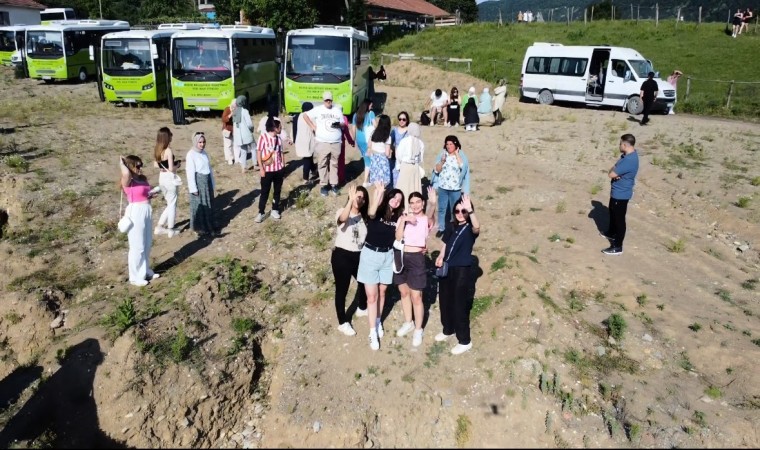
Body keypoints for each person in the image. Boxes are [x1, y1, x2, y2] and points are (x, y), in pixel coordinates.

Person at [357, 183, 405, 350]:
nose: (396, 201)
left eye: (399, 199)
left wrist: (403, 220)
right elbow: (370, 212)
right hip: (370, 254)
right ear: (388, 197)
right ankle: (372, 333)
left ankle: (378, 322)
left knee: (382, 291)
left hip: (387, 256)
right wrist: (380, 193)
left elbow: (399, 238)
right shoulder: (378, 210)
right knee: (372, 297)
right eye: (394, 197)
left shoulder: (398, 217)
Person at [434, 194, 480, 355]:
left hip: (461, 269)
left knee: (459, 304)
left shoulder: (469, 229)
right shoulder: (451, 225)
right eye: (457, 211)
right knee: (445, 300)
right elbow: (445, 244)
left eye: (463, 211)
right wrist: (440, 256)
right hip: (447, 267)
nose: (460, 214)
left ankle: (465, 340)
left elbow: (477, 227)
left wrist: (471, 211)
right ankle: (448, 329)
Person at [394, 188, 437, 347]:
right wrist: (404, 220)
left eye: (418, 202)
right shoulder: (403, 218)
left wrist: (433, 202)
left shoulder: (426, 219)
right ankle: (408, 322)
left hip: (417, 259)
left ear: (422, 203)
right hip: (402, 257)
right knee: (404, 292)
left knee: (416, 296)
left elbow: (431, 214)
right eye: (412, 203)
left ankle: (418, 329)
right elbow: (398, 237)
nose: (415, 205)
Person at [332, 185, 370, 336]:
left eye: (362, 197)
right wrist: (350, 201)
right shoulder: (342, 211)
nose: (358, 199)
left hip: (359, 255)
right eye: (356, 196)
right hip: (342, 255)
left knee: (364, 282)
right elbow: (342, 219)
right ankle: (342, 322)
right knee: (342, 289)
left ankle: (361, 307)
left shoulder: (364, 218)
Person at [119, 155, 159, 287]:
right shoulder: (127, 180)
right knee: (137, 246)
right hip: (136, 212)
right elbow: (125, 173)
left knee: (147, 244)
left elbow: (144, 193)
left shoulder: (141, 179)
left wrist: (151, 194)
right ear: (130, 167)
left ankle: (145, 270)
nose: (140, 168)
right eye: (137, 166)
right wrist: (122, 163)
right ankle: (135, 277)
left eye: (141, 165)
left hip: (146, 210)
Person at [601, 134, 639, 256]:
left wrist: (615, 170)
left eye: (620, 143)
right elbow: (613, 170)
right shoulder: (628, 156)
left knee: (619, 220)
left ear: (624, 145)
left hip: (621, 194)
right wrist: (615, 169)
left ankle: (617, 246)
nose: (619, 145)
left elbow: (611, 174)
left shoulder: (628, 160)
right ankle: (611, 233)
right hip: (618, 192)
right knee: (612, 212)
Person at [303, 91, 345, 197]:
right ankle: (324, 185)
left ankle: (334, 184)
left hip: (335, 142)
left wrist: (339, 124)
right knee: (322, 163)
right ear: (323, 100)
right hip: (322, 142)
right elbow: (305, 115)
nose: (328, 102)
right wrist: (313, 126)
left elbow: (343, 124)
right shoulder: (318, 110)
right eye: (326, 100)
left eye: (330, 100)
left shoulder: (337, 110)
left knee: (334, 163)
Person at [431, 135, 470, 238]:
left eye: (451, 144)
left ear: (455, 144)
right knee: (442, 208)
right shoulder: (443, 155)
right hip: (443, 186)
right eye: (447, 144)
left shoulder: (461, 156)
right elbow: (436, 170)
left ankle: (454, 227)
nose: (449, 146)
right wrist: (442, 161)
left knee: (455, 209)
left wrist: (457, 154)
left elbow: (463, 167)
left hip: (455, 188)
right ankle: (441, 228)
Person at [254, 117, 286, 223]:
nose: (281, 128)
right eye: (279, 126)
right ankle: (261, 212)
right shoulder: (263, 137)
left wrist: (283, 166)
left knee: (277, 191)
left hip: (278, 169)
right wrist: (261, 168)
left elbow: (281, 153)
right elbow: (258, 153)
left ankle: (275, 209)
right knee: (264, 191)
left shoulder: (279, 139)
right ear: (274, 128)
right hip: (267, 170)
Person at [186, 131, 217, 236]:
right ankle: (199, 228)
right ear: (195, 142)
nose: (202, 144)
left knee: (208, 204)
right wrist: (193, 188)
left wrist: (212, 183)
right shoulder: (191, 154)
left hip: (207, 182)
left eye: (203, 142)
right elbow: (190, 173)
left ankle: (209, 225)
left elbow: (209, 169)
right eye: (200, 142)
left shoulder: (204, 153)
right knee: (200, 205)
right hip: (199, 183)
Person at [153, 127, 180, 238]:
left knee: (169, 203)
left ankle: (159, 226)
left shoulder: (157, 150)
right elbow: (171, 168)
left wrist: (162, 168)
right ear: (166, 137)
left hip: (161, 178)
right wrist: (177, 165)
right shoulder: (168, 151)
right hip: (169, 179)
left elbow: (155, 165)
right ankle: (171, 229)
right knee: (172, 204)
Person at [394, 122, 424, 210]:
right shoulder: (421, 143)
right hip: (415, 167)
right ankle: (414, 208)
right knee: (414, 188)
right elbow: (420, 159)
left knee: (404, 188)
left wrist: (399, 165)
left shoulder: (404, 141)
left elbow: (398, 155)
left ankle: (403, 208)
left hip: (406, 166)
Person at [351, 99, 376, 186]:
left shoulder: (356, 115)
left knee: (366, 158)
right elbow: (375, 125)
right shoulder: (371, 114)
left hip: (359, 139)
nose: (371, 107)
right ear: (367, 105)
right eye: (370, 105)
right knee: (370, 160)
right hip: (368, 139)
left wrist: (353, 140)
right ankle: (367, 180)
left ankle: (368, 179)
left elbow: (353, 128)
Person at [294, 102, 318, 183]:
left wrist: (293, 139)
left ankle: (314, 170)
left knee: (308, 157)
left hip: (300, 140)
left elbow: (294, 129)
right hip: (308, 140)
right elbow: (315, 128)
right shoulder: (311, 116)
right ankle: (305, 178)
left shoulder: (298, 116)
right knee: (307, 159)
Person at [367, 114, 392, 187]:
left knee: (376, 186)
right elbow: (387, 153)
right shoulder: (388, 137)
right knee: (382, 187)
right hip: (382, 161)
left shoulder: (373, 133)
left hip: (374, 159)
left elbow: (369, 145)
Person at [231, 95, 254, 173]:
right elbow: (249, 124)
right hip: (246, 134)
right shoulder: (245, 111)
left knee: (243, 150)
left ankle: (243, 167)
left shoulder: (235, 112)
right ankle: (255, 164)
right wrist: (252, 129)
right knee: (254, 148)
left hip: (239, 136)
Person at [390, 111, 410, 186]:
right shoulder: (394, 130)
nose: (401, 121)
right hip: (395, 157)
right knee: (395, 177)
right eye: (400, 119)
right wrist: (394, 149)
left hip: (405, 158)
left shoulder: (409, 131)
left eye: (404, 119)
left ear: (407, 120)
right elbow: (390, 142)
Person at [221, 100, 235, 165]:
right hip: (227, 130)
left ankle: (232, 157)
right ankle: (229, 159)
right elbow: (223, 119)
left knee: (233, 144)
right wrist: (230, 115)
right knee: (228, 145)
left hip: (233, 130)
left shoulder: (236, 110)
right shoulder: (227, 109)